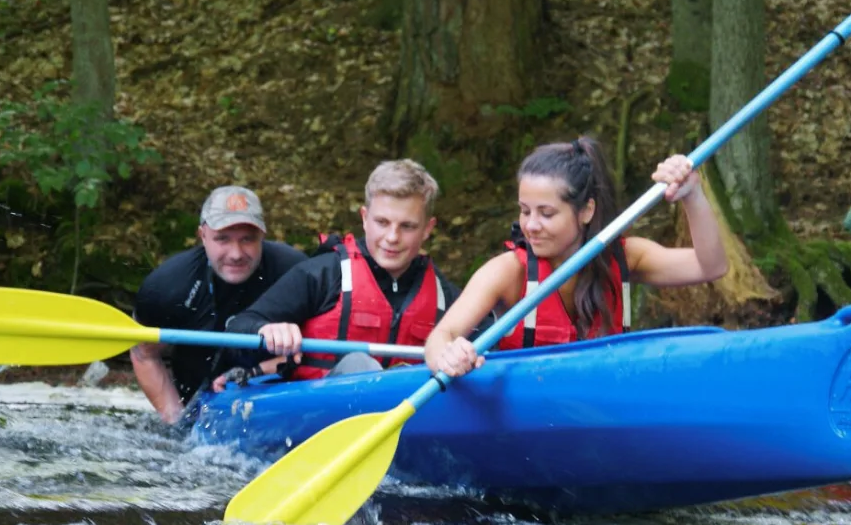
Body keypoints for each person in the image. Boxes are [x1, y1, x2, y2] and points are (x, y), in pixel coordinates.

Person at [424, 137, 728, 377]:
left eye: (547, 213)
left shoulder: (625, 256)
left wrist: (692, 195)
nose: (531, 225)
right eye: (525, 210)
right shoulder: (507, 272)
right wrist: (448, 356)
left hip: (598, 414)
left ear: (586, 211)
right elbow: (442, 337)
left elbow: (711, 266)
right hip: (528, 422)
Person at [222, 159, 460, 384]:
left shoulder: (445, 295)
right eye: (382, 222)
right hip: (315, 414)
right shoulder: (324, 273)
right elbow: (238, 330)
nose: (392, 238)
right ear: (365, 218)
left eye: (407, 226)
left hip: (408, 417)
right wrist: (264, 330)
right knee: (359, 364)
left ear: (428, 229)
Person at [131, 186, 306, 424]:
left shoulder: (296, 272)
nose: (236, 253)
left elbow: (320, 348)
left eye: (247, 239)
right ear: (202, 235)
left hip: (278, 403)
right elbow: (144, 355)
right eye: (222, 239)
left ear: (262, 236)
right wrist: (176, 422)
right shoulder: (168, 286)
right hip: (197, 409)